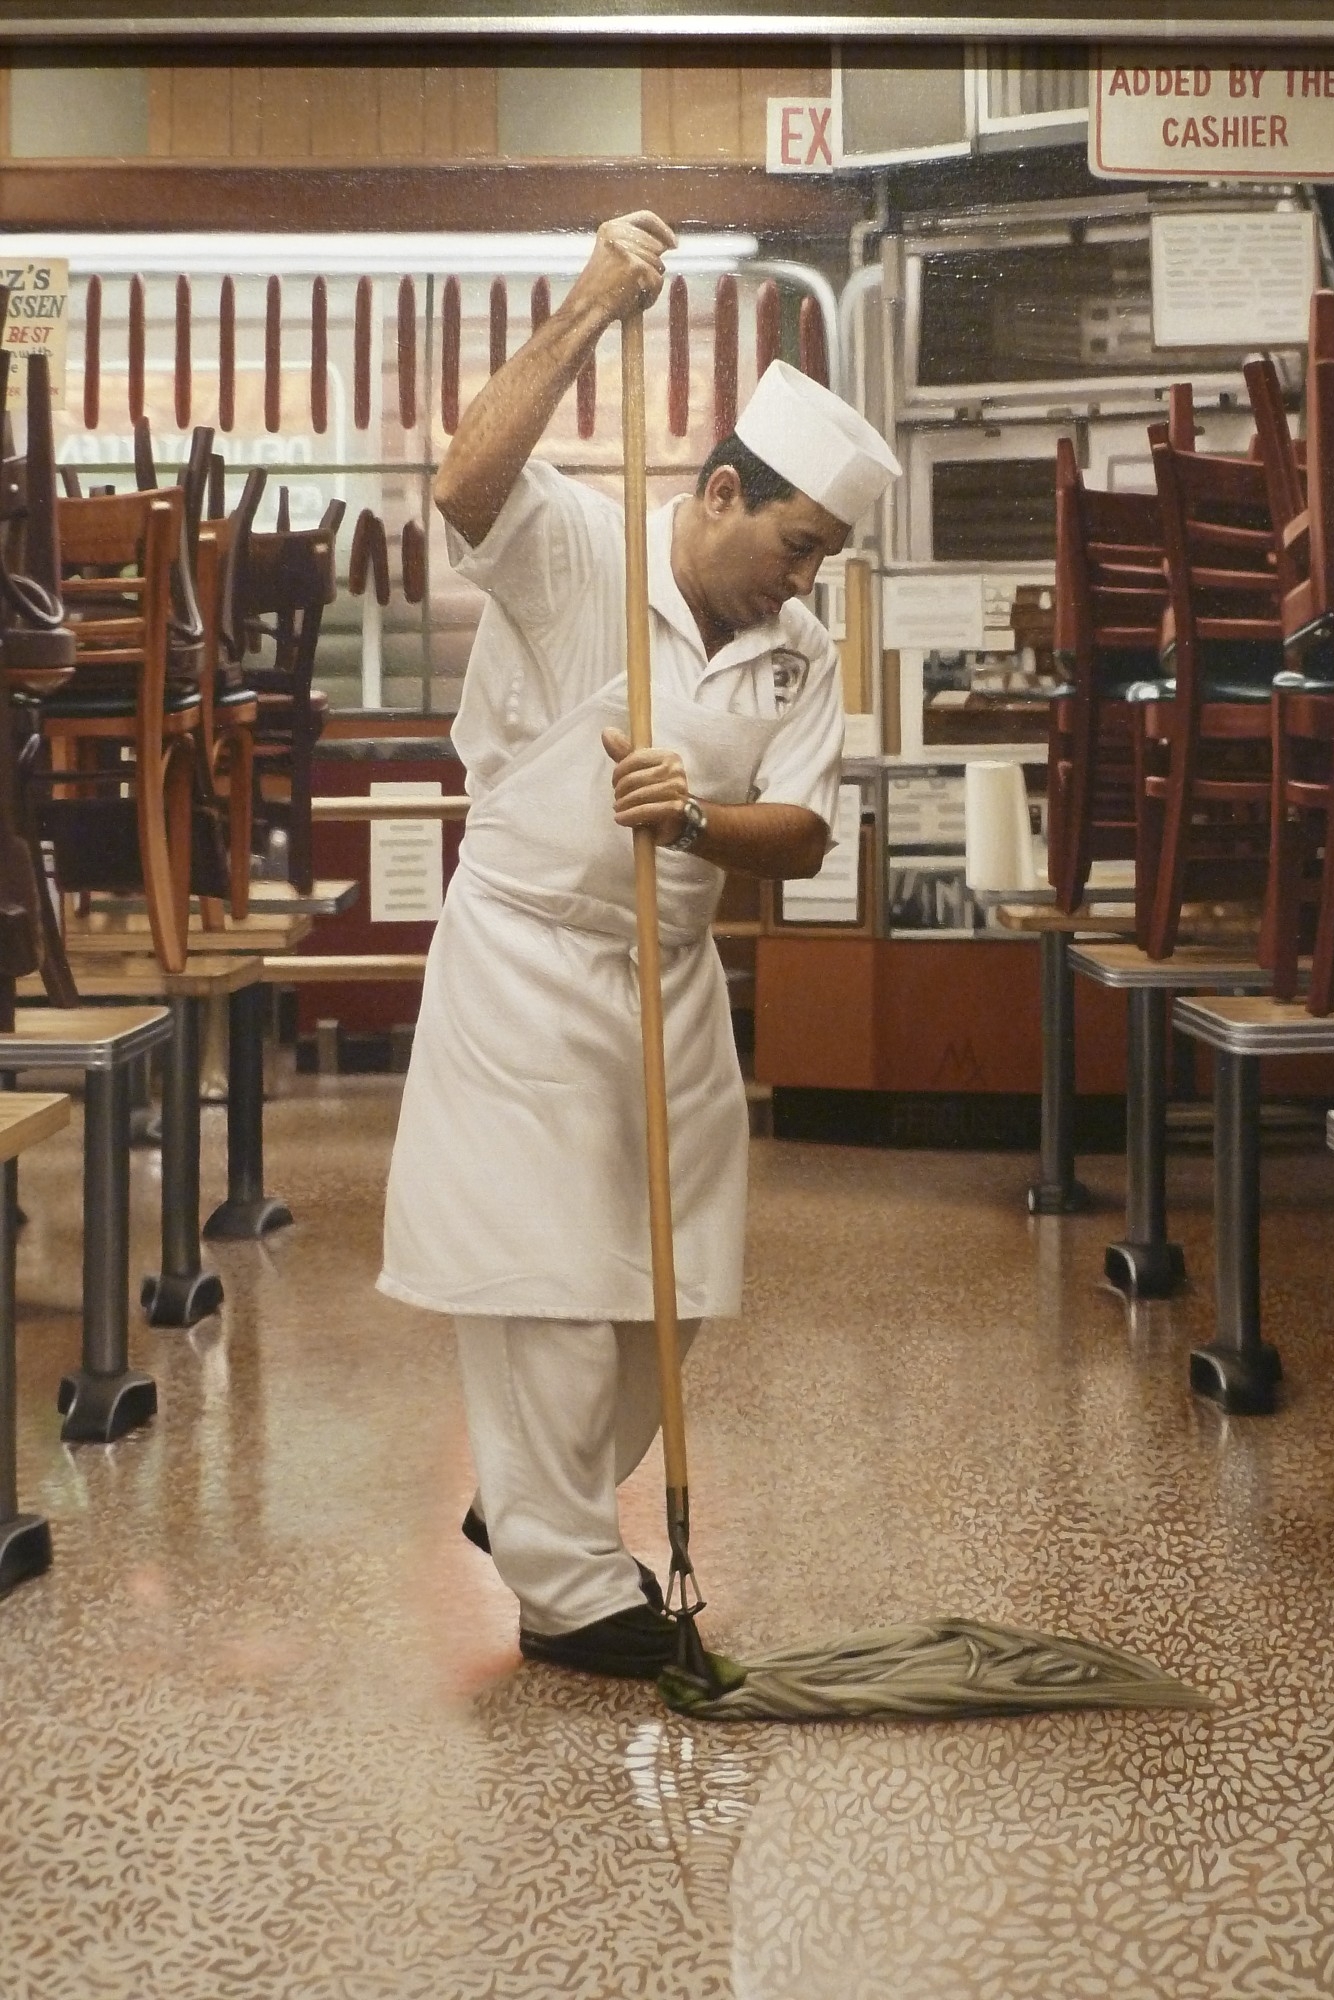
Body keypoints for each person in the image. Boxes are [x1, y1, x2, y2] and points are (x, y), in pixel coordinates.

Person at [378, 211, 900, 1678]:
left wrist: (696, 821)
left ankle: (528, 1504)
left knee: (672, 1297)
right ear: (723, 491)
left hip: (671, 983)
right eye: (796, 548)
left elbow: (803, 832)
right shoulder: (583, 547)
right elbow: (463, 483)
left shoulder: (800, 649)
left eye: (824, 560)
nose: (803, 582)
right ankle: (569, 1591)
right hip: (526, 963)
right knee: (544, 1285)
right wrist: (590, 304)